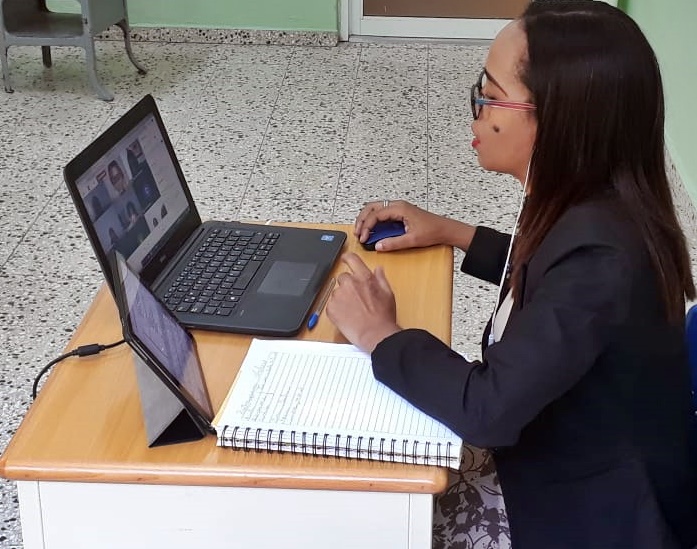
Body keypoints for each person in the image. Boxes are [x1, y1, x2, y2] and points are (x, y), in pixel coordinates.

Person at [325, 1, 697, 548]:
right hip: (565, 456)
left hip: (590, 515)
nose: (476, 109)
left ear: (562, 122)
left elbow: (488, 410)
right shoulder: (598, 205)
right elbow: (556, 286)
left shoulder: (602, 255)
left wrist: (381, 334)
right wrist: (454, 233)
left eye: (492, 95)